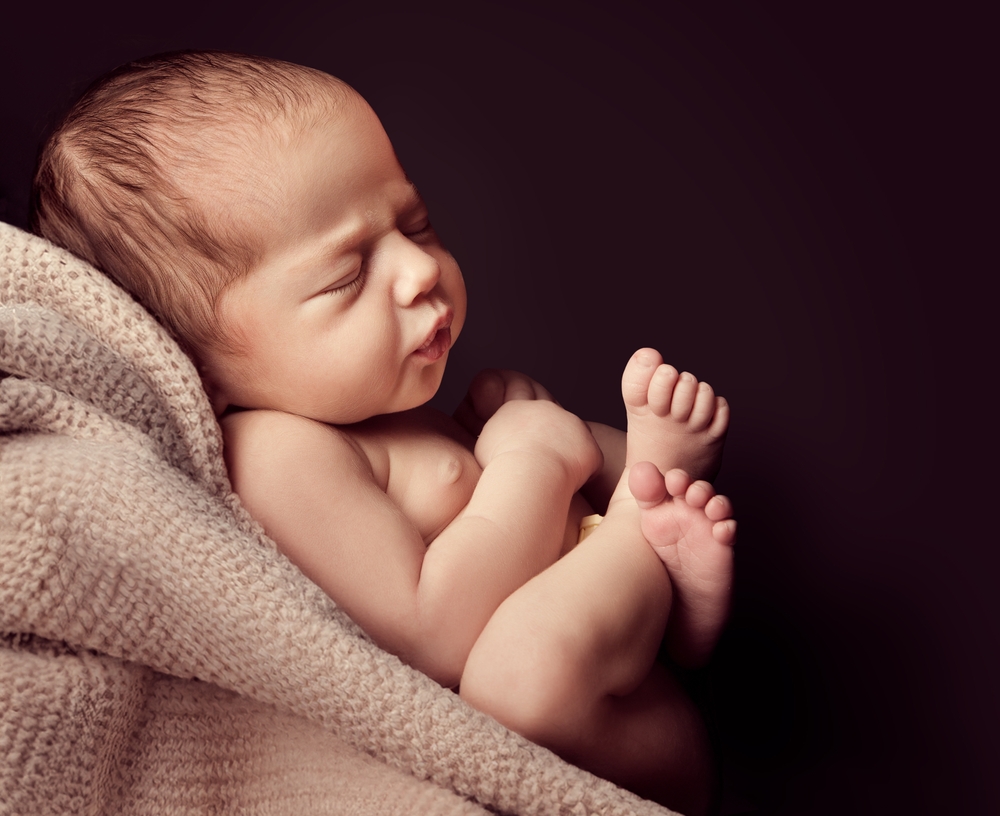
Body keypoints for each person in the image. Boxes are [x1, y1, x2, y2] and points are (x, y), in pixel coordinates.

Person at [31, 50, 735, 814]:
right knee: (515, 681)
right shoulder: (276, 456)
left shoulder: (373, 408)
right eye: (346, 275)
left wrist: (486, 436)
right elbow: (432, 635)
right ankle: (642, 531)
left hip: (610, 640)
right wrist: (532, 459)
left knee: (557, 443)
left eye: (416, 224)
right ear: (198, 362)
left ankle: (659, 526)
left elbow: (480, 511)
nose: (419, 268)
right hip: (588, 722)